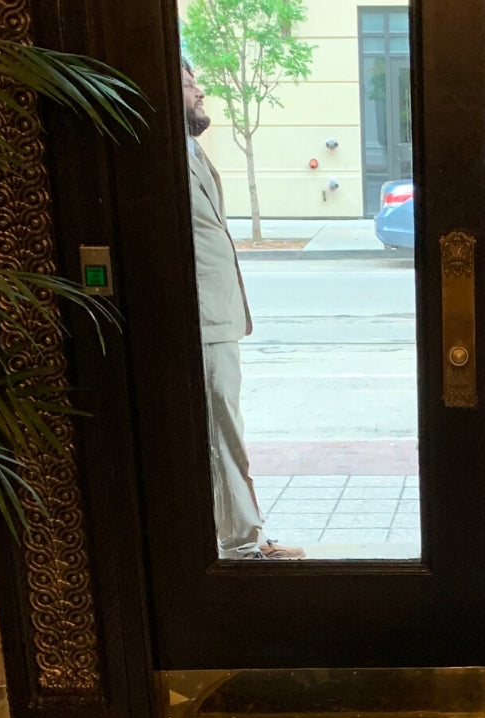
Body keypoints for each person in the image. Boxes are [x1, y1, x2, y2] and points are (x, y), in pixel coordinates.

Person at [181, 62, 304, 560]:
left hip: (216, 314)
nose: (200, 91)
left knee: (221, 425)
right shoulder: (166, 156)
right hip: (202, 316)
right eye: (189, 84)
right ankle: (243, 544)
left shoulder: (191, 150)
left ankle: (238, 538)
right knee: (220, 428)